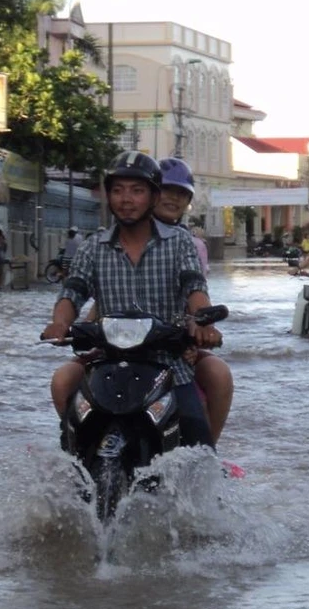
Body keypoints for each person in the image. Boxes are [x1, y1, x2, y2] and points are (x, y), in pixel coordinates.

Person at [42, 150, 221, 449]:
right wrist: (59, 324)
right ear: (108, 197)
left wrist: (203, 320)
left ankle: (209, 488)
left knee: (198, 442)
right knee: (72, 433)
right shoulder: (92, 247)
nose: (126, 199)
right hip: (106, 362)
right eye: (118, 190)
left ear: (152, 197)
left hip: (168, 363)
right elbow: (72, 292)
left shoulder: (179, 243)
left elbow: (194, 286)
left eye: (137, 191)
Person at [154, 156, 232, 443]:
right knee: (65, 382)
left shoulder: (188, 244)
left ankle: (208, 452)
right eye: (166, 191)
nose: (172, 199)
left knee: (218, 374)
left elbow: (195, 289)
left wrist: (199, 327)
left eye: (180, 194)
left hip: (174, 342)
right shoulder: (113, 240)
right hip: (121, 342)